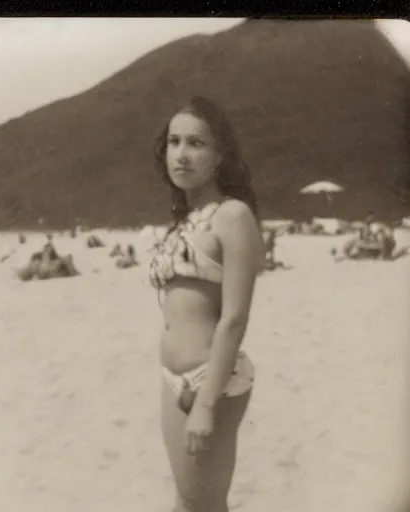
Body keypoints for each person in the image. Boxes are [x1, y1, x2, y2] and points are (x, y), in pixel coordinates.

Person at [149, 96, 265, 512]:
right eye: (174, 142)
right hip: (171, 378)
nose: (181, 154)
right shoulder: (185, 218)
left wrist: (207, 404)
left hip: (211, 380)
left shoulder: (232, 216)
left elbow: (234, 318)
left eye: (196, 143)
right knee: (187, 499)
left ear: (219, 156)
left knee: (204, 503)